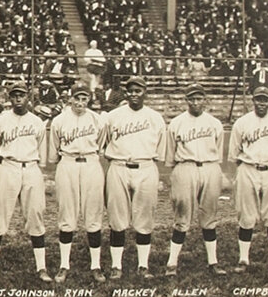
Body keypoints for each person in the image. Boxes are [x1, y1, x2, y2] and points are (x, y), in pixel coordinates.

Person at [98, 81, 167, 275]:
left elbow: (160, 150)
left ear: (145, 92)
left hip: (145, 166)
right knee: (117, 217)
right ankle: (116, 265)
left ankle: (143, 265)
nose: (134, 94)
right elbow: (103, 143)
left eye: (138, 91)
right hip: (118, 166)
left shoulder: (155, 117)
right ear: (126, 93)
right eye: (130, 91)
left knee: (145, 217)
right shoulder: (112, 117)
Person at [0, 85, 52, 279]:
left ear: (28, 97)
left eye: (22, 95)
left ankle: (41, 267)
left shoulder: (37, 122)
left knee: (36, 214)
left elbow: (41, 150)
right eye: (14, 96)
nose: (18, 99)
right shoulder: (0, 122)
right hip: (8, 166)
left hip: (30, 167)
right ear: (9, 98)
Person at [47, 85, 108, 278]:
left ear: (88, 99)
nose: (80, 102)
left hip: (90, 163)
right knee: (67, 213)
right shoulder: (59, 120)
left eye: (84, 98)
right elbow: (54, 150)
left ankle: (95, 265)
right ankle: (64, 265)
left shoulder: (97, 119)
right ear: (70, 99)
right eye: (77, 98)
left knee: (93, 213)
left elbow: (100, 145)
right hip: (68, 163)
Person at [225, 90, 268, 269]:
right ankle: (243, 259)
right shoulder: (242, 122)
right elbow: (234, 153)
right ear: (252, 101)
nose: (261, 103)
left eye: (265, 100)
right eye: (258, 99)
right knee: (246, 215)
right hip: (248, 167)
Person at [163, 87, 226, 271]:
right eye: (192, 99)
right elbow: (170, 155)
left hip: (209, 166)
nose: (196, 102)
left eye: (199, 98)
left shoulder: (214, 123)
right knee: (182, 216)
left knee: (209, 215)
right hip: (185, 166)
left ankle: (213, 262)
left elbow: (218, 151)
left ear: (205, 100)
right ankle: (172, 262)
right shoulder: (177, 123)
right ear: (186, 100)